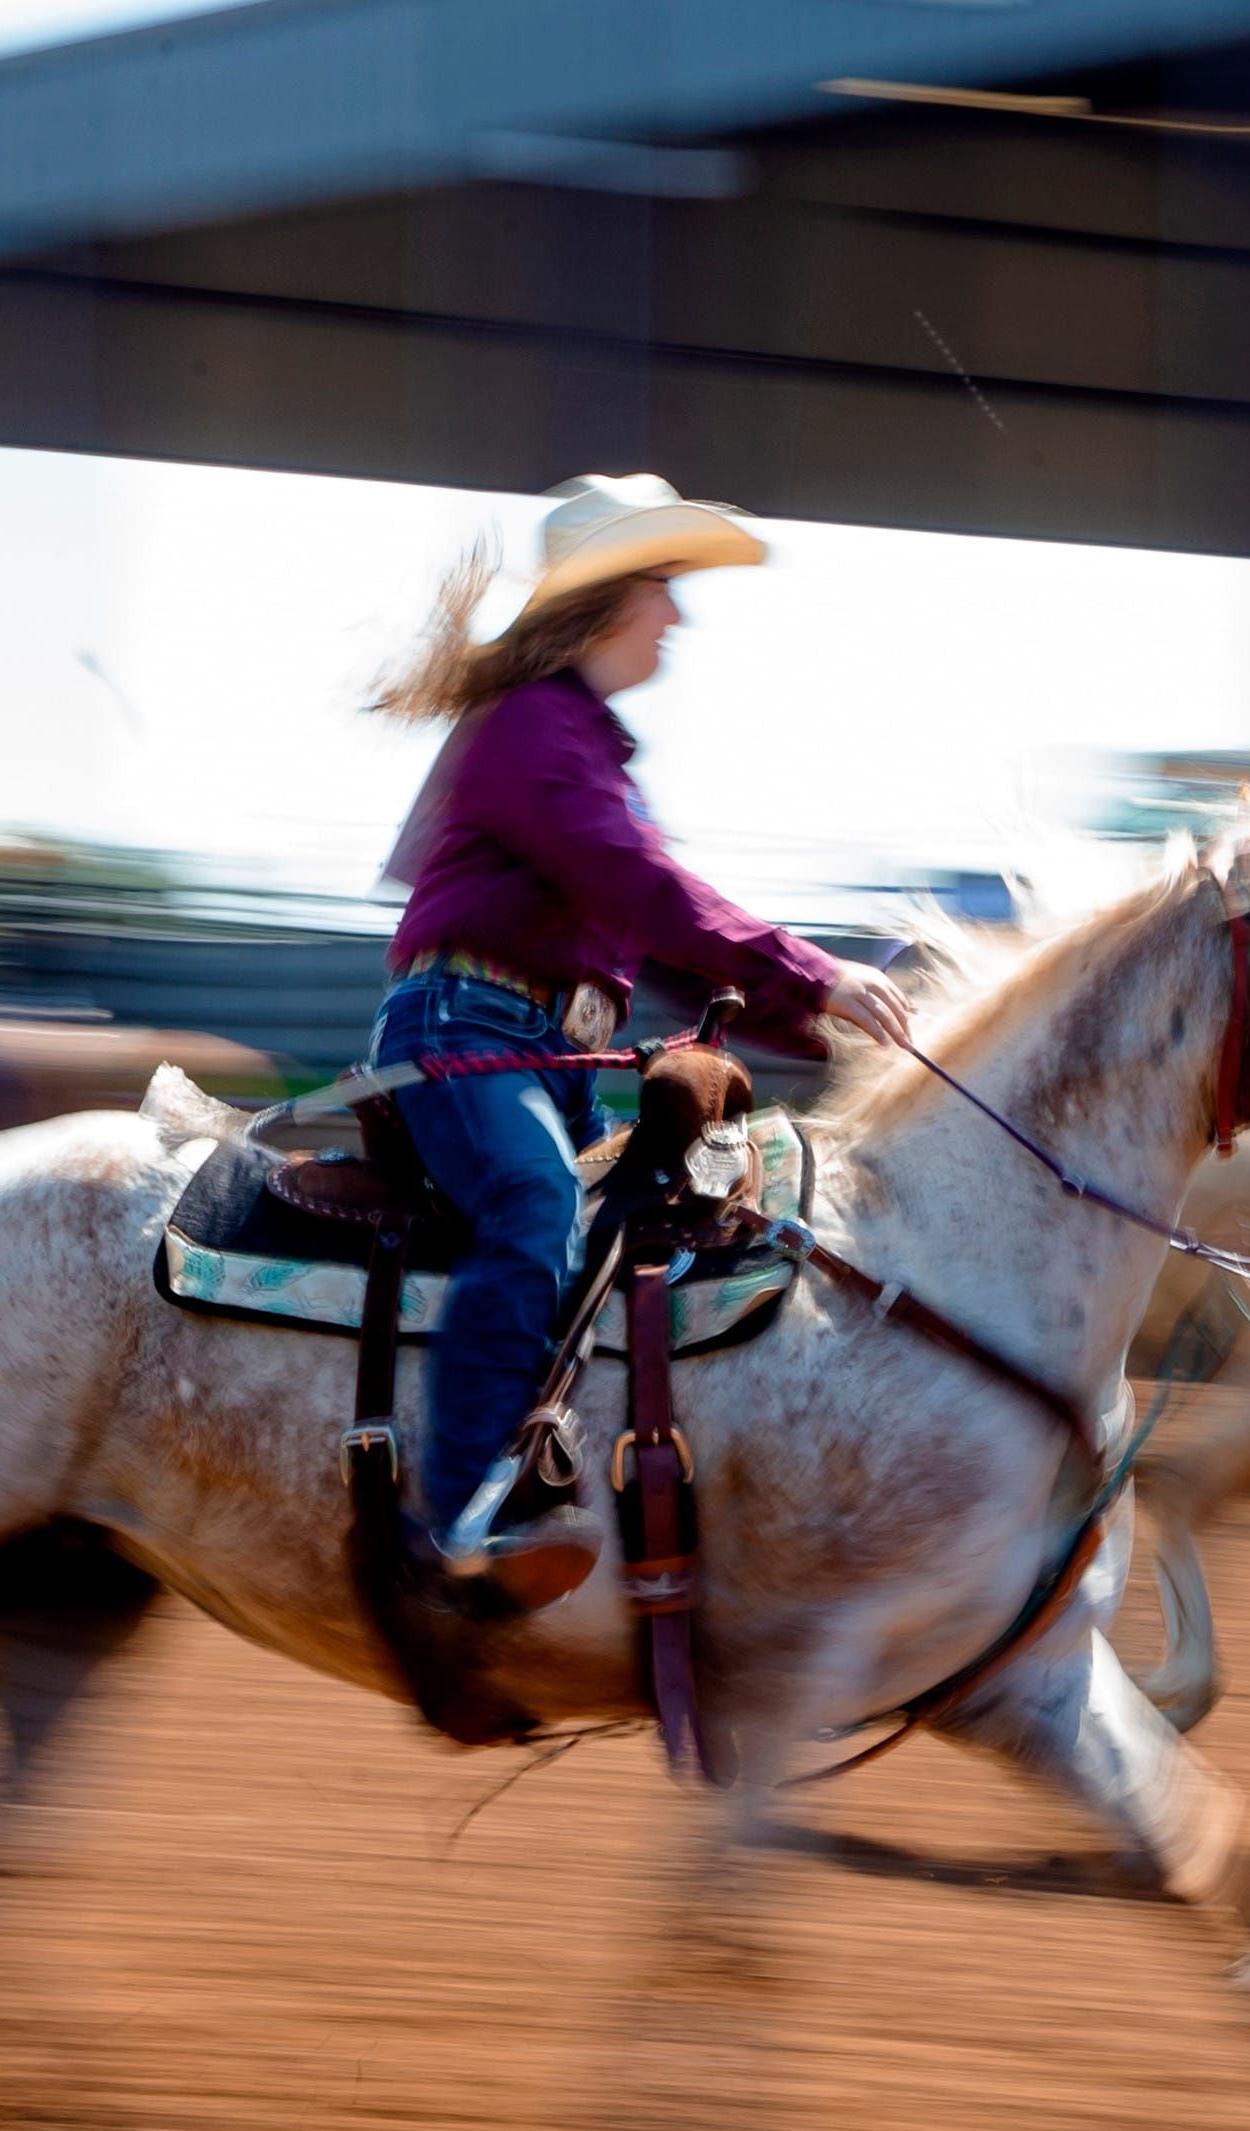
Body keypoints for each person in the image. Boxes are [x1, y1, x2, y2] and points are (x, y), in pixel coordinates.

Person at [368, 474, 916, 1596]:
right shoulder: (531, 727)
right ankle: (459, 1512)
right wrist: (806, 968)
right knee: (534, 1207)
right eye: (665, 586)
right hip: (465, 1032)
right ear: (613, 598)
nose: (681, 614)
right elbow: (639, 882)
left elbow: (659, 938)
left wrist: (819, 1023)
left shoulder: (570, 742)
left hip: (539, 1051)